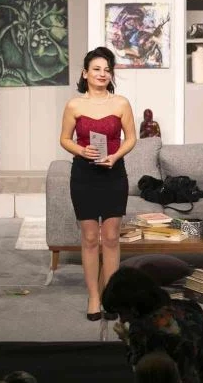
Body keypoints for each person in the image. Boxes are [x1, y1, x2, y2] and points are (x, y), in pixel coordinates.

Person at [60, 46, 137, 321]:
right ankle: (94, 296)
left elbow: (131, 138)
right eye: (96, 69)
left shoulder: (121, 103)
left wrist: (115, 156)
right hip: (84, 175)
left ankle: (110, 296)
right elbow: (64, 139)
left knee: (112, 237)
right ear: (85, 73)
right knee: (91, 237)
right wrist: (82, 151)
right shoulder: (74, 105)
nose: (102, 74)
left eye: (107, 69)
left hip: (114, 174)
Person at [101, 267, 203, 383]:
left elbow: (143, 373)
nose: (122, 320)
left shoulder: (142, 330)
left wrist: (128, 341)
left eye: (122, 312)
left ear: (133, 306)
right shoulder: (191, 307)